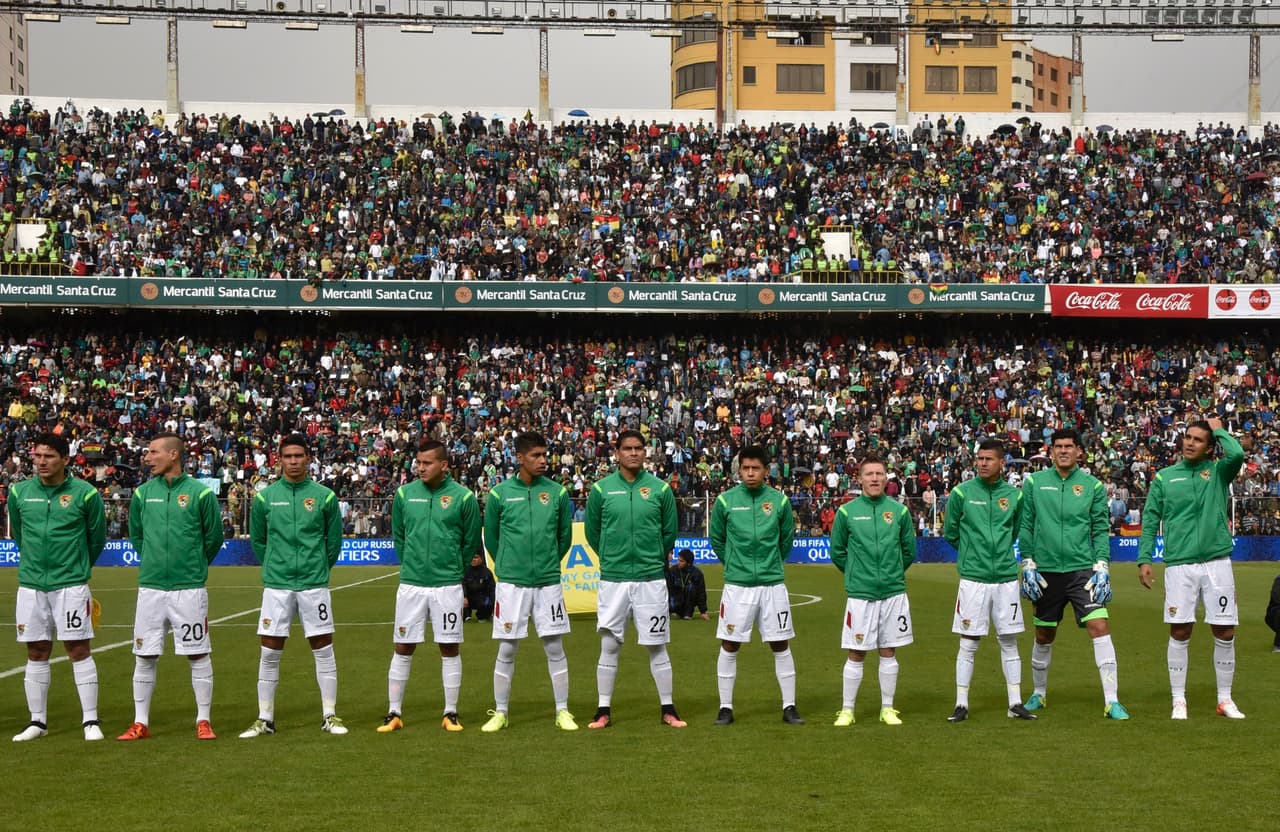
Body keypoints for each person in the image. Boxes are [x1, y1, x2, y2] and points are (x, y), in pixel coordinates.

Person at [118, 433, 225, 742]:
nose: (147, 458)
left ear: (173, 454)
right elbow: (137, 536)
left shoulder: (200, 494)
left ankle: (203, 720)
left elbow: (213, 537)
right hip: (151, 587)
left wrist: (194, 565)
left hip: (188, 587)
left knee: (198, 653)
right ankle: (140, 722)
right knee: (144, 655)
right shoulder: (142, 494)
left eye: (154, 452)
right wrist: (153, 560)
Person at [1138, 418, 1246, 719]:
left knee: (1224, 630)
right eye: (1187, 437)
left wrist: (1219, 429)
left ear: (1210, 447)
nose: (1189, 442)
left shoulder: (1219, 472)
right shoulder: (1165, 477)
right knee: (1180, 629)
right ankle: (1178, 700)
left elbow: (1237, 454)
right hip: (1179, 565)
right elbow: (1150, 519)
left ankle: (1224, 700)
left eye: (1198, 439)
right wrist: (1144, 558)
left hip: (1217, 563)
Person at [240, 434, 346, 738]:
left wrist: (319, 567)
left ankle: (329, 715)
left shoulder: (325, 497)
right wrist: (274, 565)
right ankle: (265, 719)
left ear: (308, 458)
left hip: (314, 584)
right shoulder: (266, 498)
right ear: (279, 459)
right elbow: (259, 541)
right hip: (277, 585)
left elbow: (333, 542)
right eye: (288, 456)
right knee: (270, 651)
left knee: (323, 648)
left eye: (299, 455)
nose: (294, 461)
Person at [1018, 429, 1128, 720]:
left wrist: (1102, 564)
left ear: (1079, 451)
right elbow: (1026, 525)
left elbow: (1100, 529)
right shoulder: (1034, 483)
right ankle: (1038, 693)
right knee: (1044, 633)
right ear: (1051, 451)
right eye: (1058, 446)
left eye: (1069, 446)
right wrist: (1027, 561)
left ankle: (1112, 701)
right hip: (1045, 570)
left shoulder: (1092, 486)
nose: (1064, 451)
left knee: (1099, 626)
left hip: (1082, 571)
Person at [378, 439, 482, 733]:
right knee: (403, 646)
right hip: (411, 584)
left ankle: (451, 712)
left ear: (444, 465)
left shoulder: (463, 497)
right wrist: (411, 563)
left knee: (449, 646)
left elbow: (470, 541)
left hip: (446, 585)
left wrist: (454, 569)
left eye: (427, 463)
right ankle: (394, 712)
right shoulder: (404, 494)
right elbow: (399, 535)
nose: (421, 468)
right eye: (419, 463)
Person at [9, 432, 107, 742]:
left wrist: (76, 567)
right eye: (37, 456)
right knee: (36, 650)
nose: (41, 462)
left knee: (78, 649)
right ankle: (37, 722)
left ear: (65, 459)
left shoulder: (85, 494)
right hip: (31, 584)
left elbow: (96, 539)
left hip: (71, 585)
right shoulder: (19, 492)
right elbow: (20, 535)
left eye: (49, 456)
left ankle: (90, 721)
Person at [584, 430, 684, 729]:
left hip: (650, 579)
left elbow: (669, 532)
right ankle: (603, 710)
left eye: (639, 448)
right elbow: (592, 532)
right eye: (627, 448)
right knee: (609, 645)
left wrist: (653, 556)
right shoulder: (601, 490)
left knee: (657, 645)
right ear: (617, 453)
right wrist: (610, 555)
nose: (633, 453)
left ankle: (668, 708)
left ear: (645, 452)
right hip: (613, 579)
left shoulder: (660, 489)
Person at [480, 432, 577, 732]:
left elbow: (564, 537)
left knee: (554, 646)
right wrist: (507, 564)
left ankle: (562, 711)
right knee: (507, 649)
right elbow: (492, 538)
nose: (543, 460)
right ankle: (500, 712)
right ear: (520, 458)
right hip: (512, 583)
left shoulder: (558, 493)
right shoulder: (499, 494)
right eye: (536, 455)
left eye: (545, 454)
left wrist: (548, 561)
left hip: (548, 582)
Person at [941, 439, 1037, 722]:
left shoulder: (1015, 496)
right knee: (968, 642)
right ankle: (961, 704)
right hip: (974, 579)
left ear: (1001, 463)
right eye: (980, 458)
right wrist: (971, 554)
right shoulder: (961, 493)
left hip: (1006, 578)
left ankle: (1015, 703)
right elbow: (951, 532)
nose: (982, 463)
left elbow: (1016, 530)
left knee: (1009, 640)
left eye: (988, 459)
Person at [708, 445, 803, 726]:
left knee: (780, 643)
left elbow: (786, 541)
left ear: (765, 471)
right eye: (746, 468)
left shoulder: (779, 501)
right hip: (737, 586)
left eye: (756, 468)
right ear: (739, 470)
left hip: (772, 585)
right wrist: (734, 564)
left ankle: (789, 706)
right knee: (729, 644)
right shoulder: (725, 501)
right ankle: (725, 707)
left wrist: (770, 564)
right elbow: (717, 540)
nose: (750, 473)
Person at [829, 456, 916, 727]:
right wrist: (857, 575)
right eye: (869, 474)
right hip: (860, 594)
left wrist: (891, 573)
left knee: (888, 650)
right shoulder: (847, 512)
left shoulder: (899, 512)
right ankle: (847, 710)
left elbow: (909, 551)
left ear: (886, 478)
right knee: (856, 652)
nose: (875, 478)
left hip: (893, 592)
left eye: (879, 473)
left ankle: (887, 709)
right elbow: (837, 552)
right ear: (860, 479)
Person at [667, 549, 708, 620]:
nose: (678, 562)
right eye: (678, 560)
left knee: (690, 587)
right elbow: (667, 588)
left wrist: (703, 611)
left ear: (689, 563)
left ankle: (687, 613)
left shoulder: (697, 574)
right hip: (675, 599)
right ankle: (672, 610)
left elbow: (701, 593)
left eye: (681, 561)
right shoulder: (673, 570)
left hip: (689, 600)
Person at [463, 553, 496, 622]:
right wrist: (464, 597)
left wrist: (492, 604)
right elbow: (462, 585)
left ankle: (483, 616)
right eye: (472, 557)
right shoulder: (465, 571)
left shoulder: (487, 572)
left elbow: (492, 590)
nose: (473, 559)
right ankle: (466, 615)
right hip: (468, 597)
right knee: (457, 598)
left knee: (488, 602)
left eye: (476, 557)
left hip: (481, 597)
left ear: (481, 559)